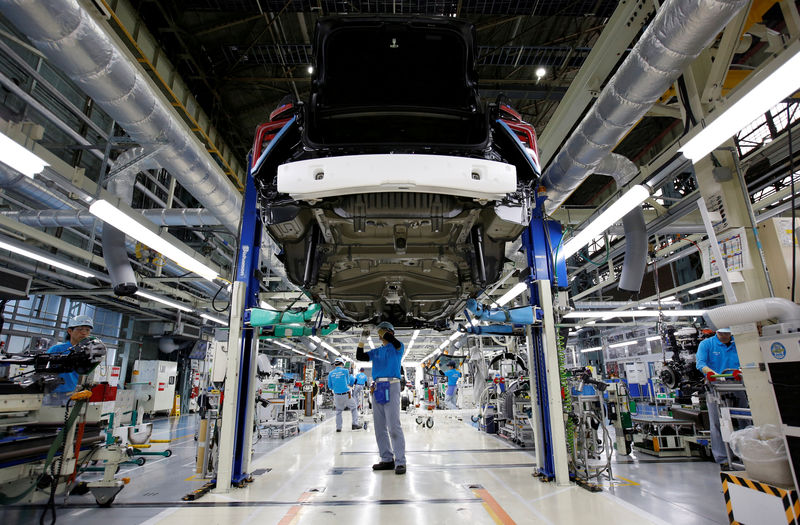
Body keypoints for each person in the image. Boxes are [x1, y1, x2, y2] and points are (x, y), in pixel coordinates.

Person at [356, 321, 406, 475]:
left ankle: (400, 461)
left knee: (393, 425)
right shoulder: (377, 351)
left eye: (384, 332)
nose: (381, 335)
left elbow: (393, 341)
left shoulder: (398, 348)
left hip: (392, 385)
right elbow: (360, 356)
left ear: (390, 333)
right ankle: (387, 459)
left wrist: (381, 330)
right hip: (377, 387)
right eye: (380, 333)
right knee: (379, 426)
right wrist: (362, 340)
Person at [696, 327, 747, 468]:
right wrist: (710, 373)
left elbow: (748, 359)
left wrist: (742, 370)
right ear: (716, 332)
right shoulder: (706, 344)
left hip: (737, 382)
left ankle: (747, 453)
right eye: (721, 333)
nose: (724, 336)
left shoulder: (738, 343)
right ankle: (722, 457)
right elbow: (700, 363)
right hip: (715, 384)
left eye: (727, 333)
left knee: (744, 419)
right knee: (717, 422)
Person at [46, 315, 94, 393]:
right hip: (54, 393)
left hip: (77, 394)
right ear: (70, 331)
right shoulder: (57, 349)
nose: (84, 333)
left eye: (87, 330)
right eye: (80, 329)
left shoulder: (87, 352)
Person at [327, 357, 360, 432]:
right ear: (342, 364)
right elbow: (348, 382)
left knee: (338, 411)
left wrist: (336, 387)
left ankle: (338, 428)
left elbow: (330, 386)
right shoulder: (345, 371)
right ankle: (354, 424)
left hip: (336, 395)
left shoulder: (331, 373)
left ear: (335, 365)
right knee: (354, 407)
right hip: (346, 394)